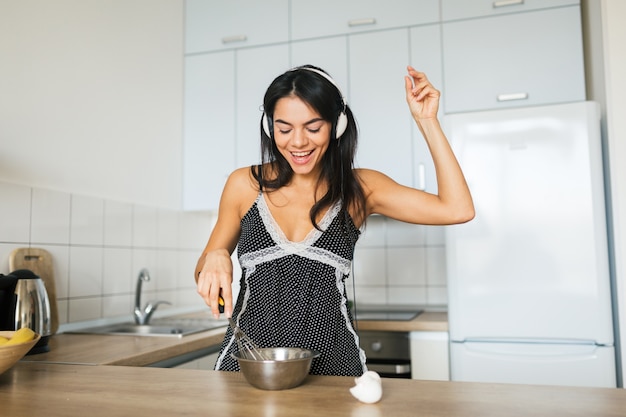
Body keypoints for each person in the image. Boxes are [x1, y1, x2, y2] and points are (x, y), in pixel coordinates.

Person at [194, 65, 474, 376]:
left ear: (337, 125)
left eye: (313, 128)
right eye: (284, 129)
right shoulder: (244, 184)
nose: (297, 142)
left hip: (335, 369)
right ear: (269, 127)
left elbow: (457, 209)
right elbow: (204, 273)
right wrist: (215, 256)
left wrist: (427, 121)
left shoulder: (360, 188)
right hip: (246, 368)